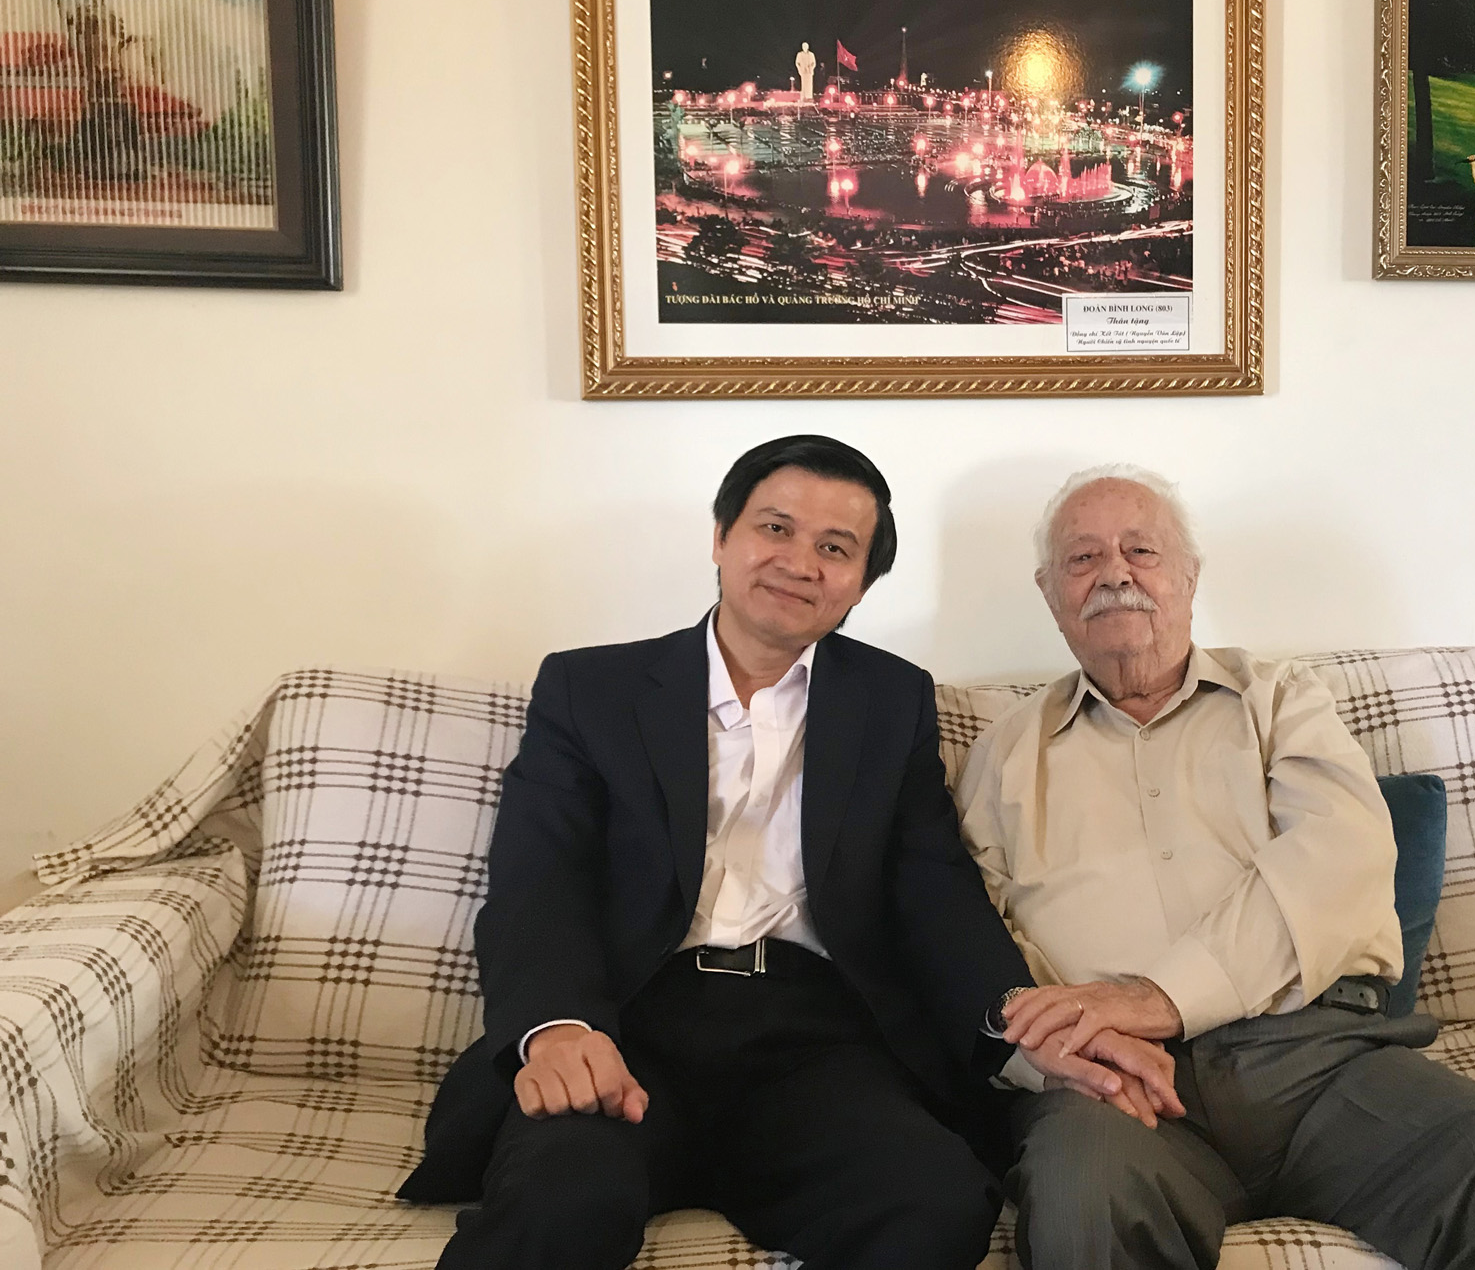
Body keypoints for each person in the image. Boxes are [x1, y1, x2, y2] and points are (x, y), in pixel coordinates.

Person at [398, 436, 1176, 1270]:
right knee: (559, 1203)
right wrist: (556, 1028)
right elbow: (538, 880)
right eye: (775, 528)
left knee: (934, 1202)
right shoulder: (591, 689)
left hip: (816, 1043)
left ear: (862, 582)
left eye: (836, 548)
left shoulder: (890, 701)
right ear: (722, 536)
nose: (800, 562)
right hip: (629, 1023)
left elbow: (934, 894)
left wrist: (1018, 1019)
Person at [956, 465, 1475, 1270]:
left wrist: (1160, 995)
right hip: (1116, 1084)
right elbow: (966, 943)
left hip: (1319, 1061)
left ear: (1189, 575)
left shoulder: (1281, 700)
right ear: (1050, 592)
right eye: (1083, 558)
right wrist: (1052, 1050)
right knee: (1084, 1197)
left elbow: (1338, 856)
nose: (1115, 572)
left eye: (1141, 550)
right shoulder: (1003, 754)